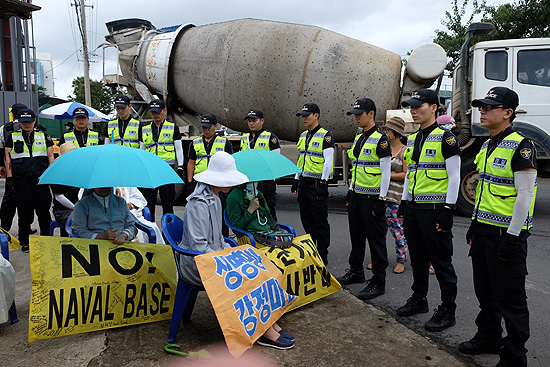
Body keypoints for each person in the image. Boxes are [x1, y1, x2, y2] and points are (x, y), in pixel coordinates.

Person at [179, 151, 295, 349]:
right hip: (198, 263)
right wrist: (228, 257)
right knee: (247, 275)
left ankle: (268, 322)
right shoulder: (198, 205)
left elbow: (217, 241)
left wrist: (231, 253)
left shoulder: (214, 199)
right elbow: (200, 249)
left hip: (213, 257)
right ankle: (263, 329)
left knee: (258, 267)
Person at [459, 87, 536, 367]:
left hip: (506, 236)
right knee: (486, 293)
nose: (483, 110)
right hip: (483, 231)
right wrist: (474, 225)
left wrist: (513, 237)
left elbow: (525, 195)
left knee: (511, 301)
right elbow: (483, 190)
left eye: (490, 107)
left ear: (507, 113)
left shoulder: (521, 145)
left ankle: (515, 357)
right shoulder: (487, 144)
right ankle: (488, 337)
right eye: (482, 106)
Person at [396, 89, 461, 332]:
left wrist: (448, 210)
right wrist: (404, 202)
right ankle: (419, 299)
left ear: (433, 107)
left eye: (418, 106)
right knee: (419, 259)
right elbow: (411, 173)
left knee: (442, 262)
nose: (413, 110)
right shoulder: (412, 139)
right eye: (411, 106)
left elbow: (455, 177)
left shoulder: (447, 138)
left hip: (435, 210)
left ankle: (448, 310)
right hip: (413, 209)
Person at [336, 98, 391, 300]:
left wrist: (382, 199)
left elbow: (385, 173)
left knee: (376, 241)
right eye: (355, 114)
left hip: (373, 198)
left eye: (360, 114)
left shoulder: (381, 139)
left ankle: (379, 281)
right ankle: (356, 271)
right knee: (356, 237)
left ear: (371, 114)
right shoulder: (360, 138)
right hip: (357, 196)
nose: (356, 117)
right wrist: (351, 191)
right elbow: (357, 167)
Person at [4, 108, 55, 252]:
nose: (26, 124)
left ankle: (46, 239)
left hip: (41, 180)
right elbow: (8, 159)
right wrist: (10, 179)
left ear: (34, 121)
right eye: (23, 122)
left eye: (29, 121)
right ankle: (25, 242)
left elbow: (50, 157)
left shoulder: (44, 136)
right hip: (21, 181)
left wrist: (51, 175)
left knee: (44, 212)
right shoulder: (12, 136)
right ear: (19, 123)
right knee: (24, 213)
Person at [291, 103, 334, 265]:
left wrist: (323, 183)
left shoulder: (326, 135)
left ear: (316, 115)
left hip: (317, 185)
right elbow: (301, 159)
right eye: (302, 116)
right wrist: (296, 179)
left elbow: (328, 162)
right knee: (307, 220)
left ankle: (323, 253)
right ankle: (312, 249)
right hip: (304, 184)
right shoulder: (303, 136)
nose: (304, 119)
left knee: (320, 221)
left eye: (307, 116)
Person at [186, 114, 233, 236]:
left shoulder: (224, 142)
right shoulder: (195, 143)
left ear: (215, 126)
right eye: (203, 127)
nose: (206, 130)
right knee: (203, 212)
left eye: (208, 127)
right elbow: (191, 162)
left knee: (220, 212)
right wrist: (190, 182)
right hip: (201, 183)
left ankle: (223, 237)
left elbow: (229, 164)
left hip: (219, 184)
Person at [138, 99, 184, 220]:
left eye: (158, 112)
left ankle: (168, 234)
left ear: (164, 110)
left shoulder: (173, 127)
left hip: (166, 169)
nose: (156, 115)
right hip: (149, 169)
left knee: (167, 204)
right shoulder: (144, 128)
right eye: (153, 112)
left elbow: (179, 149)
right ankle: (150, 231)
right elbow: (142, 149)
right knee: (148, 204)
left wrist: (180, 167)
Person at [240, 109, 281, 220]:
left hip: (265, 180)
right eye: (249, 121)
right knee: (250, 207)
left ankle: (273, 230)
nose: (251, 123)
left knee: (267, 208)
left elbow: (276, 160)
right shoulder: (244, 138)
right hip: (249, 179)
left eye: (254, 120)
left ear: (262, 121)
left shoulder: (270, 137)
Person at [381, 116, 409, 275]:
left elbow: (406, 174)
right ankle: (381, 259)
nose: (385, 132)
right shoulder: (384, 149)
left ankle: (401, 261)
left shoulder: (404, 151)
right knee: (380, 232)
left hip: (395, 198)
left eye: (388, 130)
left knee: (398, 231)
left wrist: (387, 175)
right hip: (382, 197)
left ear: (396, 132)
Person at [72, 187, 137, 244]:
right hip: (95, 246)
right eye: (100, 185)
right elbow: (79, 229)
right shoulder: (82, 204)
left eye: (107, 185)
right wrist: (100, 236)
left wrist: (124, 235)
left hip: (122, 245)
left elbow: (131, 225)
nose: (104, 188)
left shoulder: (121, 202)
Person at [0, 103, 26, 233]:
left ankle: (4, 228)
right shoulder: (32, 126)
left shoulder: (4, 128)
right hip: (27, 170)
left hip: (11, 170)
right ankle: (25, 229)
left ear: (13, 114)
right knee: (26, 202)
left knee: (9, 200)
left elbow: (0, 148)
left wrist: (1, 165)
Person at [50, 142, 80, 237]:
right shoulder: (56, 172)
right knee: (80, 220)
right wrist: (77, 209)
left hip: (79, 206)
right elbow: (59, 197)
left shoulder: (78, 171)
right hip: (62, 210)